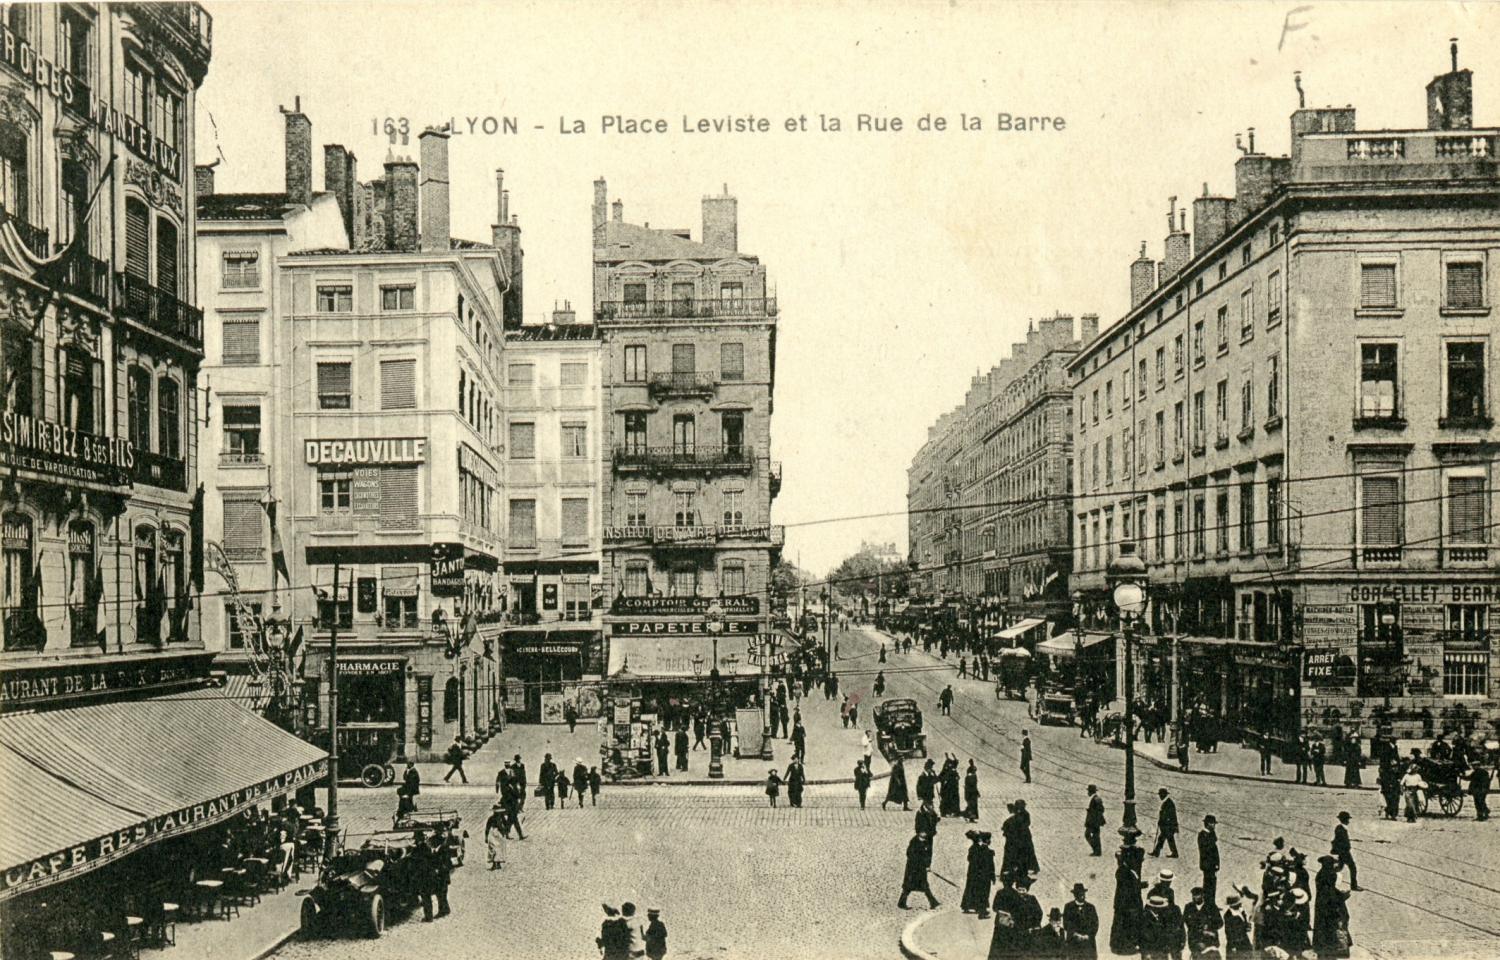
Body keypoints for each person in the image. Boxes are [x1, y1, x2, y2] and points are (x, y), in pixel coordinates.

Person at [1111, 827, 1147, 954]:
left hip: (1128, 898)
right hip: (1127, 899)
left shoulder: (1129, 866)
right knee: (1128, 920)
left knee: (1127, 920)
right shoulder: (1125, 869)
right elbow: (1130, 885)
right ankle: (1126, 944)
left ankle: (1128, 942)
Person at [1313, 854, 1352, 959]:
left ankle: (1322, 953)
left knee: (1322, 931)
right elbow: (1332, 895)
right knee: (1330, 933)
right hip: (1329, 910)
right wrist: (1343, 896)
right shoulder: (1330, 875)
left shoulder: (1321, 874)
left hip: (1321, 908)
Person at [1000, 799, 1040, 883]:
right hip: (1020, 837)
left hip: (1025, 837)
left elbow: (1026, 824)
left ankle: (1033, 867)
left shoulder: (1025, 814)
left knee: (1029, 852)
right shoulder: (1018, 813)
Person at [899, 830, 939, 910]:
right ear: (919, 833)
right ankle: (901, 903)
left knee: (924, 885)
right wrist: (919, 863)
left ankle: (933, 902)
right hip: (912, 869)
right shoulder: (914, 842)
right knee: (908, 886)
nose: (925, 833)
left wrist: (927, 865)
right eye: (923, 832)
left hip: (921, 869)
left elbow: (927, 855)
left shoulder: (926, 842)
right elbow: (910, 854)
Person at [961, 830, 997, 916]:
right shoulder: (988, 851)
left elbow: (969, 859)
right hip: (984, 875)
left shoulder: (973, 848)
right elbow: (990, 866)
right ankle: (982, 908)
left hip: (973, 873)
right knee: (983, 891)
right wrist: (992, 876)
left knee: (971, 888)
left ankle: (967, 905)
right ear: (987, 841)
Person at [1139, 893, 1183, 960]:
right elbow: (1143, 937)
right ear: (1154, 908)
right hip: (1150, 952)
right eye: (1161, 907)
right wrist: (1146, 953)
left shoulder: (1161, 916)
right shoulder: (1145, 917)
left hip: (1161, 952)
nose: (1163, 909)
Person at [1183, 886, 1221, 958]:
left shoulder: (1211, 907)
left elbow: (1220, 923)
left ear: (1202, 895)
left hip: (1210, 942)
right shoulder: (1188, 907)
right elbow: (1187, 922)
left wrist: (1209, 927)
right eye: (1193, 895)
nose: (1194, 897)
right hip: (1195, 942)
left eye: (1197, 895)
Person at [1063, 882, 1099, 958]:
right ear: (1075, 895)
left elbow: (1095, 924)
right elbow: (1066, 924)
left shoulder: (1091, 907)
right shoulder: (1068, 907)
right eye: (1079, 893)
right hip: (1073, 943)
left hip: (1088, 943)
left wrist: (1087, 935)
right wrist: (1076, 935)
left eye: (1083, 893)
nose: (1082, 895)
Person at [1331, 811, 1359, 889]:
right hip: (1344, 852)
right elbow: (1340, 842)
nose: (1349, 821)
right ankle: (1354, 886)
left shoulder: (1340, 828)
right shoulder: (1341, 829)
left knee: (1338, 868)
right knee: (1352, 867)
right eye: (1348, 819)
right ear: (1345, 820)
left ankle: (1330, 882)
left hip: (1342, 852)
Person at [1221, 891, 1253, 956]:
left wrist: (1247, 925)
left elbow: (1244, 923)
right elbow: (1228, 932)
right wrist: (1233, 946)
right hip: (1236, 944)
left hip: (1244, 941)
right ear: (1233, 905)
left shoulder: (1241, 911)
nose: (1240, 904)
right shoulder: (1228, 916)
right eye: (1238, 903)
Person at [1198, 815, 1220, 907]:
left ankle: (1211, 903)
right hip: (1207, 865)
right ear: (1208, 824)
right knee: (1208, 884)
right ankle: (1208, 903)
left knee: (1212, 884)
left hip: (1212, 865)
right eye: (1213, 823)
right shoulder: (1203, 835)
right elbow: (1207, 850)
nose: (1214, 825)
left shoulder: (1210, 834)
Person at [1153, 788, 1179, 857]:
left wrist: (1162, 821)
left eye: (1160, 795)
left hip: (1169, 825)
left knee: (1168, 839)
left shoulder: (1169, 803)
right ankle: (1156, 852)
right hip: (1167, 825)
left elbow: (1169, 815)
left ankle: (1174, 853)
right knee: (1163, 838)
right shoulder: (1167, 802)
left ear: (1164, 794)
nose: (1160, 796)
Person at [483, 802, 508, 870]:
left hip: (498, 833)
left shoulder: (499, 818)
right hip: (495, 833)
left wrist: (505, 832)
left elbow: (506, 825)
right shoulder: (492, 818)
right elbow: (487, 828)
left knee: (498, 848)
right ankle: (495, 864)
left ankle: (497, 863)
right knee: (494, 848)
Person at [1084, 785, 1106, 856]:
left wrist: (1095, 820)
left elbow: (1101, 810)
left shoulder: (1096, 799)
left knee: (1089, 835)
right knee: (1095, 835)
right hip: (1094, 820)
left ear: (1090, 791)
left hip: (1094, 821)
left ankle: (1096, 850)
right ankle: (1097, 851)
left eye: (1088, 791)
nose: (1087, 793)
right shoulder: (1094, 798)